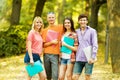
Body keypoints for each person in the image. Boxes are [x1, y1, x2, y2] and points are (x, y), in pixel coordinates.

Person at [72, 14, 98, 80]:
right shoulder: (76, 32)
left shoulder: (92, 31)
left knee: (87, 77)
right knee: (74, 77)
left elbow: (95, 44)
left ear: (87, 21)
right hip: (78, 57)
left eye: (84, 20)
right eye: (81, 20)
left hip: (88, 58)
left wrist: (93, 57)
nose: (82, 22)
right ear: (78, 21)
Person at [42, 12, 63, 80]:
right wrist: (51, 42)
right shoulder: (44, 30)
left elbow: (69, 30)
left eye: (52, 17)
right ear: (47, 19)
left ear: (55, 18)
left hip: (56, 55)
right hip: (46, 55)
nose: (51, 19)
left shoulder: (60, 27)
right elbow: (44, 45)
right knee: (48, 76)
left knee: (55, 75)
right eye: (49, 17)